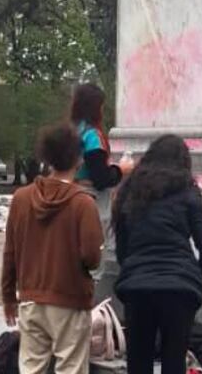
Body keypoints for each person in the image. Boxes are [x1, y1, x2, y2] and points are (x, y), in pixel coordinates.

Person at [112, 135, 202, 374]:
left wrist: (135, 269)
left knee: (138, 361)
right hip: (179, 289)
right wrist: (194, 272)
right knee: (174, 360)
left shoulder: (129, 193)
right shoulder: (189, 193)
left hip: (137, 286)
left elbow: (122, 248)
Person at [2, 123, 104, 374]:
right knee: (71, 367)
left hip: (30, 297)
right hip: (70, 298)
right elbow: (92, 257)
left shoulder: (21, 198)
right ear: (79, 159)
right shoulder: (83, 203)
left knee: (31, 368)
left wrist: (8, 297)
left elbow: (10, 252)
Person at [69, 83, 133, 277]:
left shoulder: (72, 131)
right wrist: (121, 170)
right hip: (92, 199)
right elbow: (101, 177)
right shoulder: (93, 136)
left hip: (72, 194)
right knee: (93, 255)